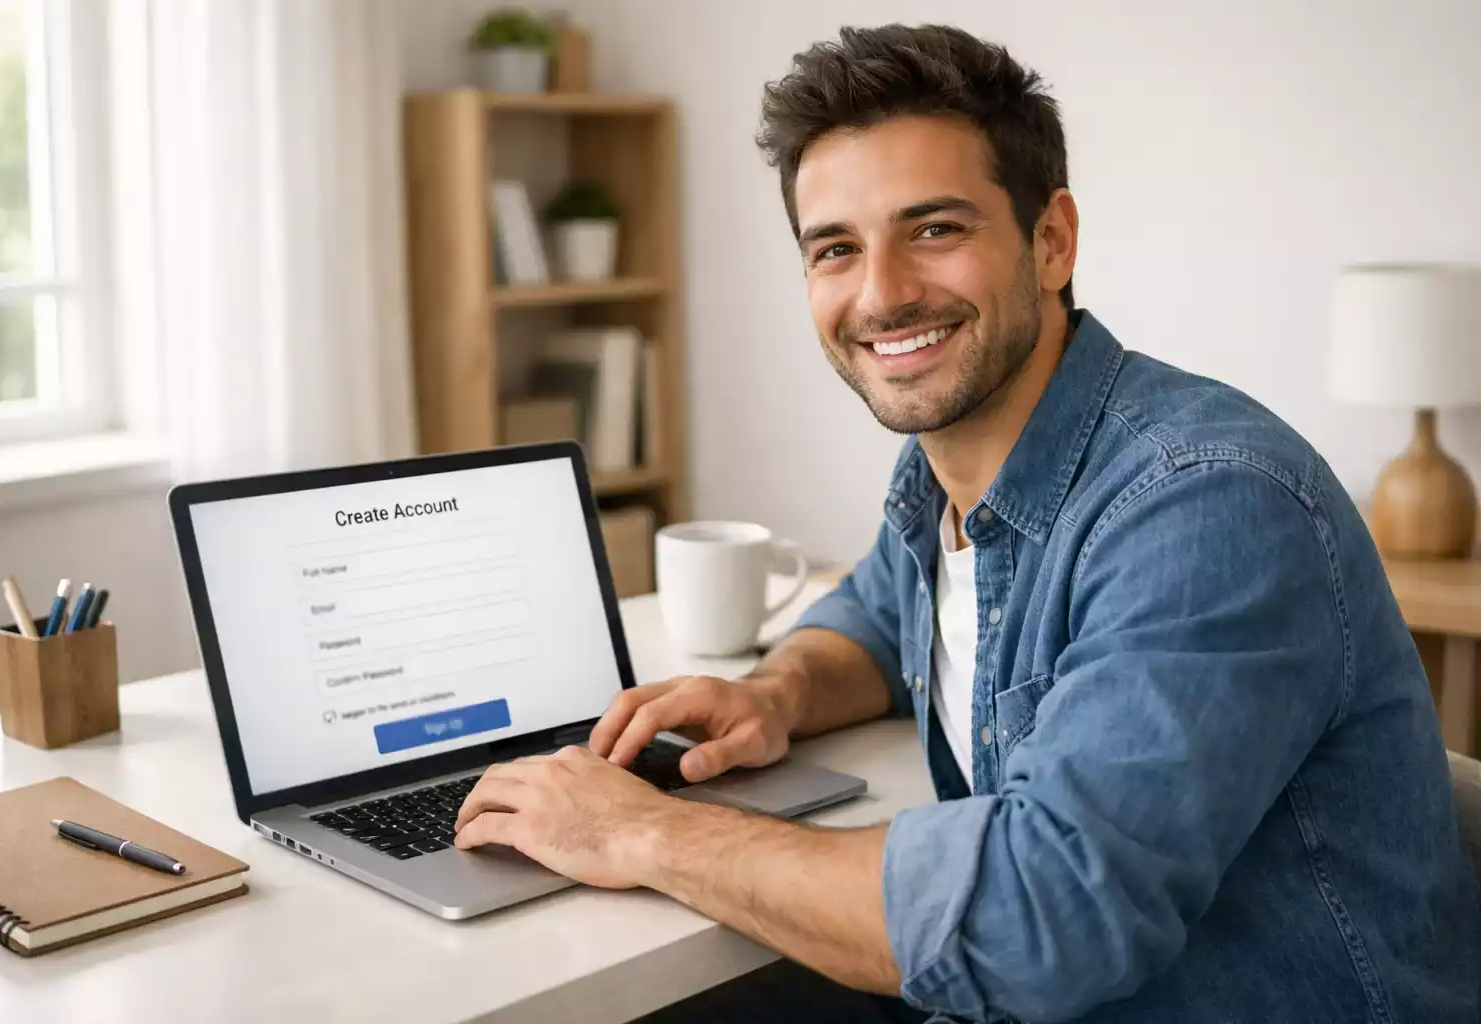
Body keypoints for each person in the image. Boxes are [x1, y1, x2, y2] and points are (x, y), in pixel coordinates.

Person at [453, 22, 1481, 1023]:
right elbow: (879, 610)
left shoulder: (1208, 502)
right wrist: (777, 691)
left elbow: (1047, 913)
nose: (883, 294)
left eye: (933, 229)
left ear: (1050, 241)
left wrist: (645, 834)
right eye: (836, 250)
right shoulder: (949, 474)